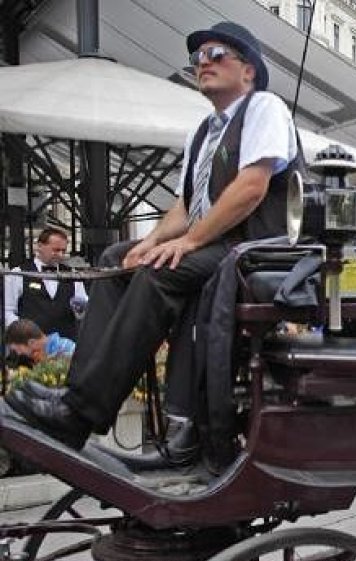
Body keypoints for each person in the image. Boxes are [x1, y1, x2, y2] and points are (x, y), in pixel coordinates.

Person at [6, 21, 301, 452]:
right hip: (216, 242)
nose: (204, 63)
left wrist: (189, 241)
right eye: (198, 58)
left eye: (217, 54)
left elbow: (251, 187)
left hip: (255, 248)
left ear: (249, 71)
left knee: (160, 271)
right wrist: (150, 242)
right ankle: (78, 399)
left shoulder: (264, 107)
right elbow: (185, 206)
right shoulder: (203, 131)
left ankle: (82, 410)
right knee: (115, 258)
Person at [4, 227, 87, 341]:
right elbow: (7, 310)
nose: (60, 255)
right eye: (56, 250)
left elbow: (82, 310)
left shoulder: (72, 275)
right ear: (39, 246)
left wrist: (81, 309)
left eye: (63, 251)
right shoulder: (19, 273)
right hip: (29, 346)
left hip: (66, 346)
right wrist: (22, 333)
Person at [6, 318, 75, 365]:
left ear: (31, 342)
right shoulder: (38, 356)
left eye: (19, 349)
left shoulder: (65, 348)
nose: (18, 353)